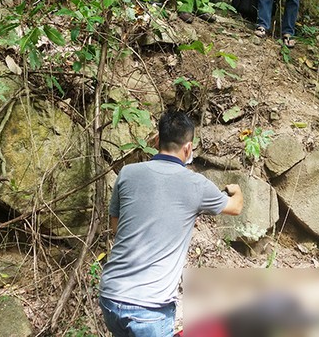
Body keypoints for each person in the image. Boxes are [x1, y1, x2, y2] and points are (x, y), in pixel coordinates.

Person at [99, 111, 243, 337]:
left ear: (157, 140)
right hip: (149, 309)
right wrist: (236, 190)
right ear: (188, 148)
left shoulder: (127, 173)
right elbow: (235, 207)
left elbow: (117, 228)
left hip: (110, 298)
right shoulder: (196, 184)